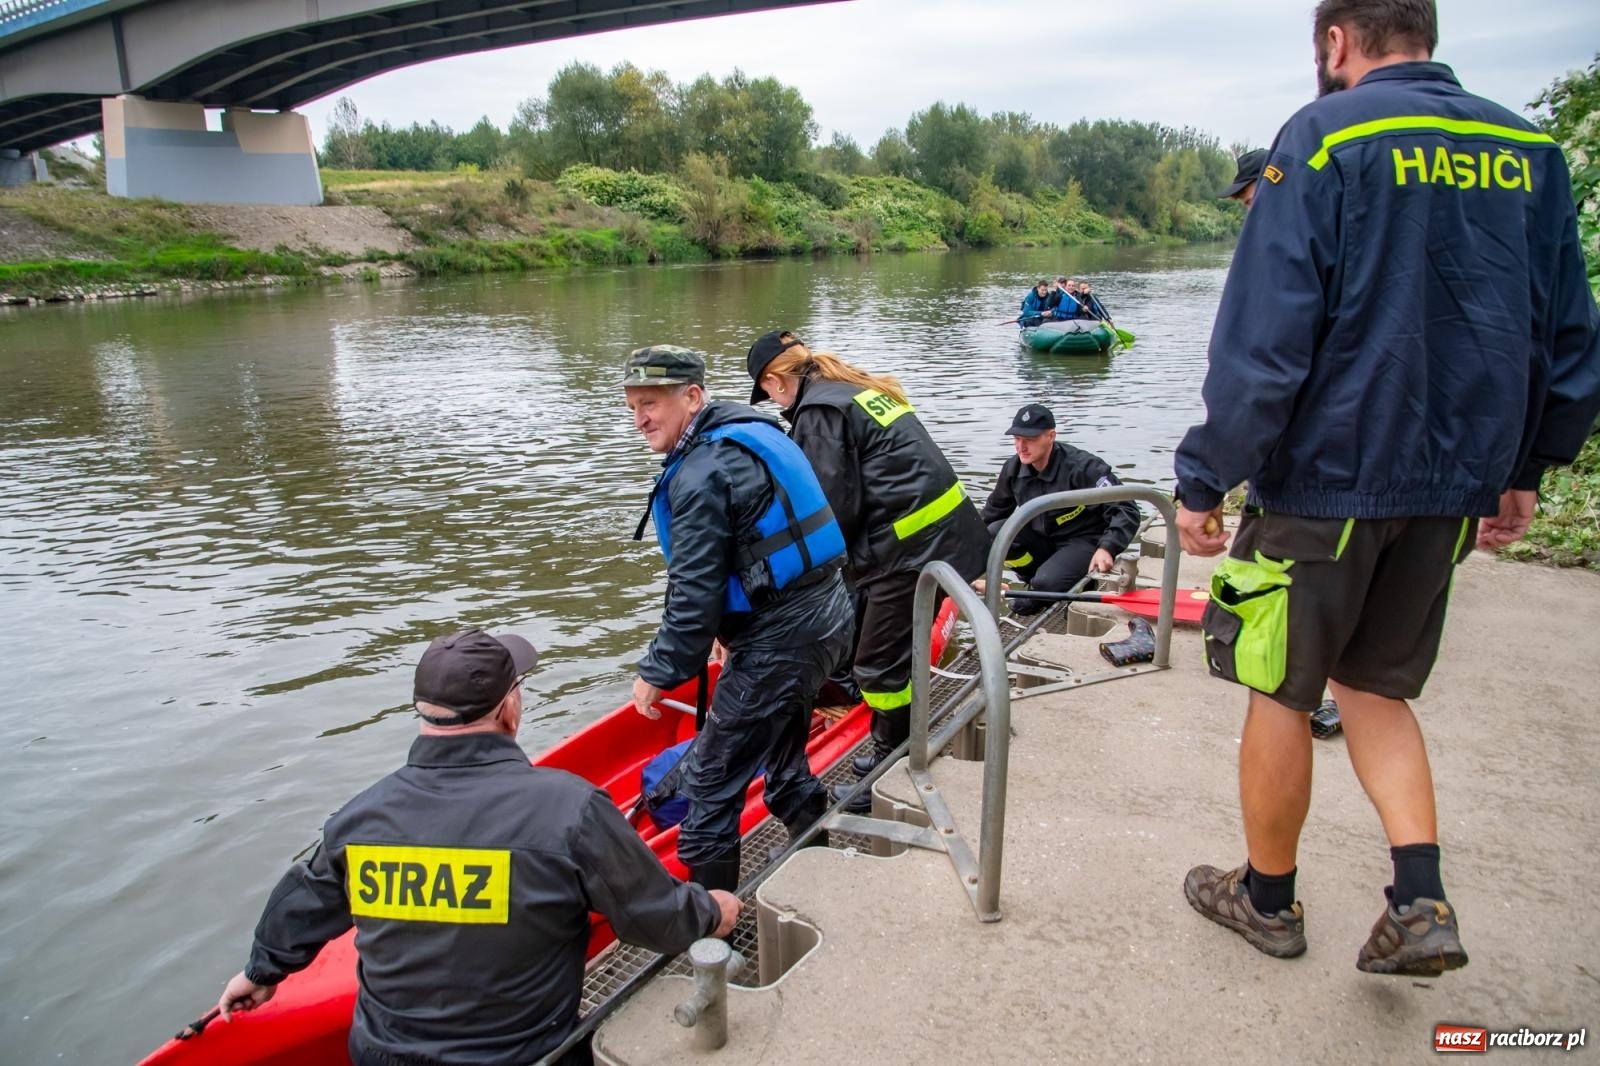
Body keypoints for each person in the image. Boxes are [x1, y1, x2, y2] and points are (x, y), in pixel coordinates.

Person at [1173, 0, 1600, 977]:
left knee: (1279, 687)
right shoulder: (1525, 150)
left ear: (1335, 41)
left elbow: (1264, 335)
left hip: (1324, 482)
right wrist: (1526, 467)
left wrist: (1205, 473)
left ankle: (1266, 899)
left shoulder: (1323, 138)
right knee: (1375, 685)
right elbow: (1569, 335)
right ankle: (1418, 897)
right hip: (1449, 488)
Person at [214, 629, 740, 1066]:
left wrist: (260, 974)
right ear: (509, 706)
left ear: (424, 712)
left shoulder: (359, 818)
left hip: (378, 1054)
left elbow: (304, 903)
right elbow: (652, 918)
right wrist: (712, 911)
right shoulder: (569, 810)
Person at [623, 345, 854, 890]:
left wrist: (657, 672)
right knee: (784, 766)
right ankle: (826, 874)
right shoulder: (743, 435)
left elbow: (693, 593)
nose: (639, 420)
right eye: (632, 405)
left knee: (707, 792)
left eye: (651, 404)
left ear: (693, 397)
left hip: (784, 640)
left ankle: (715, 945)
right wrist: (734, 629)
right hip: (823, 615)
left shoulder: (701, 472)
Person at [746, 331, 989, 809]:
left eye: (768, 393)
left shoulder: (819, 412)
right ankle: (901, 736)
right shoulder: (855, 390)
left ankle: (892, 757)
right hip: (942, 539)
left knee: (877, 667)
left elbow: (828, 512)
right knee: (887, 651)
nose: (772, 402)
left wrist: (782, 578)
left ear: (776, 381)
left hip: (908, 551)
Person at [981, 403, 1140, 613]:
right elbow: (991, 514)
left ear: (1051, 436)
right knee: (995, 534)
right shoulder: (1013, 468)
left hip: (1083, 541)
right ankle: (1035, 581)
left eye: (1030, 440)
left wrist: (1107, 547)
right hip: (1043, 539)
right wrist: (968, 566)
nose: (1021, 447)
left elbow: (1126, 507)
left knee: (1046, 583)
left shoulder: (1083, 467)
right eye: (1017, 439)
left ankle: (1054, 585)